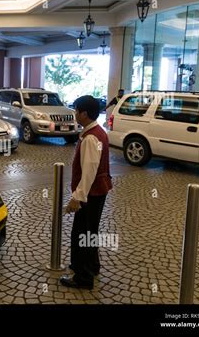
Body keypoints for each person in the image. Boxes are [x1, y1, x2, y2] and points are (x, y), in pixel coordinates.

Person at [60, 95, 113, 290]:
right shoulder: (98, 132)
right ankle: (91, 265)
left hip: (91, 193)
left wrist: (77, 197)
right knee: (90, 231)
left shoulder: (91, 138)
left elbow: (89, 170)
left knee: (81, 233)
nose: (74, 114)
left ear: (84, 113)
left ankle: (83, 277)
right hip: (100, 190)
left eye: (76, 110)